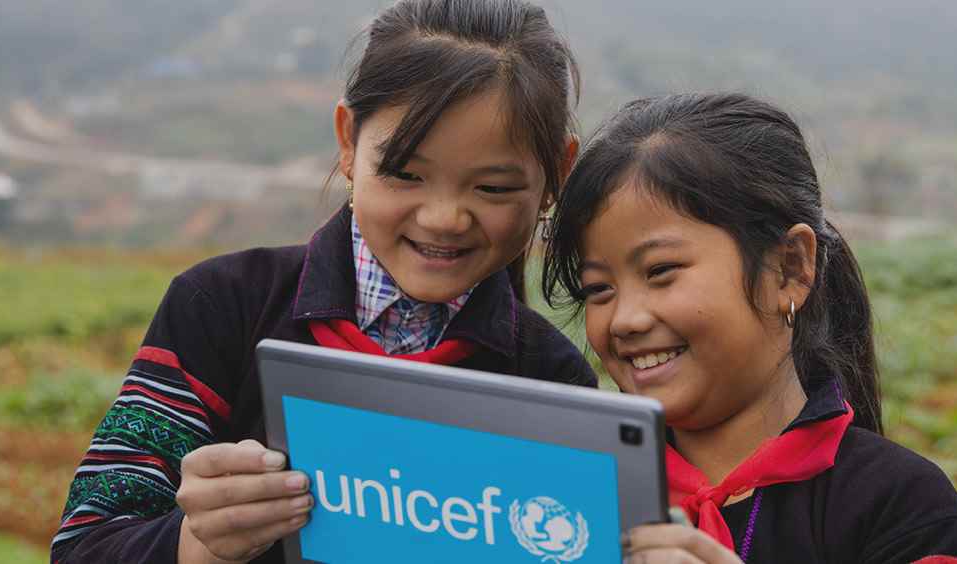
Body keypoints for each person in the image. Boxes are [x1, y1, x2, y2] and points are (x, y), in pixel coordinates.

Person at [50, 1, 592, 562]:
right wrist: (197, 543)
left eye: (493, 188)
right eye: (406, 173)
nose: (443, 218)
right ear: (349, 141)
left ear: (557, 174)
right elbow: (84, 546)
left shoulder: (553, 383)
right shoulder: (221, 308)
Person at [542, 92, 957, 564]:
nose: (626, 319)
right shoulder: (571, 498)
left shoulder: (903, 508)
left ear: (789, 269)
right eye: (598, 289)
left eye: (661, 271)